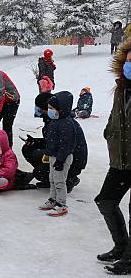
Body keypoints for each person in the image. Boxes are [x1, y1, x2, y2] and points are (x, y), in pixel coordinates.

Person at [96, 40, 131, 273]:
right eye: (128, 61)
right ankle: (122, 247)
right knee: (105, 200)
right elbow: (114, 117)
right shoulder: (122, 87)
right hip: (121, 159)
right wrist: (109, 132)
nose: (130, 65)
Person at [39, 91, 81, 217]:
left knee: (59, 181)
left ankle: (62, 204)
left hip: (62, 158)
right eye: (49, 108)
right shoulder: (55, 121)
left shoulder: (66, 124)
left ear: (61, 109)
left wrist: (60, 160)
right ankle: (53, 199)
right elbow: (51, 141)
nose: (49, 111)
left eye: (52, 109)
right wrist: (48, 153)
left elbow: (66, 145)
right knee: (52, 179)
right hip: (53, 156)